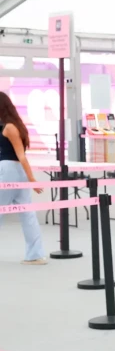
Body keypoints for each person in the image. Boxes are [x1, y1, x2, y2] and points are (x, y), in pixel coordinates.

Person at [0, 91, 46, 265]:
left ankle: (35, 254)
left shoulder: (9, 127)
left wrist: (32, 178)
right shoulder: (16, 125)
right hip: (16, 170)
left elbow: (21, 155)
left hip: (9, 169)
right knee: (27, 213)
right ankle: (35, 255)